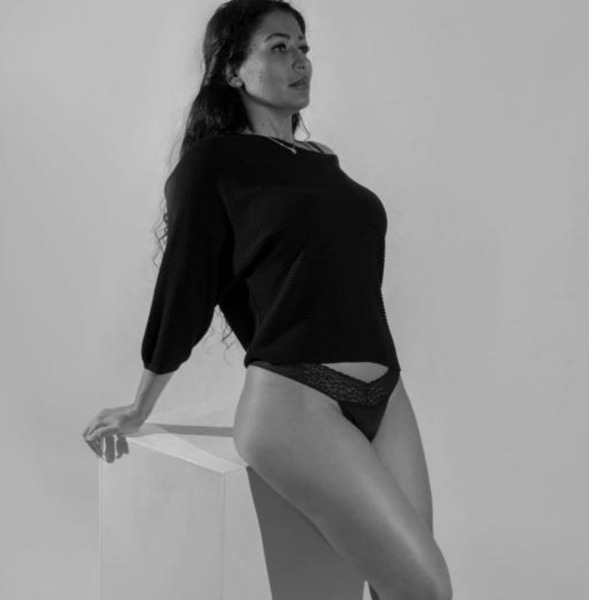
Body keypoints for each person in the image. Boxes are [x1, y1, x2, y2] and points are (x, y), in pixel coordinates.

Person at [82, 1, 453, 598]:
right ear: (233, 70)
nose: (299, 60)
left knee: (404, 589)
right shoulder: (213, 164)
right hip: (295, 402)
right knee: (427, 586)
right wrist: (139, 405)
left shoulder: (322, 161)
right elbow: (184, 290)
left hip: (386, 392)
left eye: (303, 47)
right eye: (278, 47)